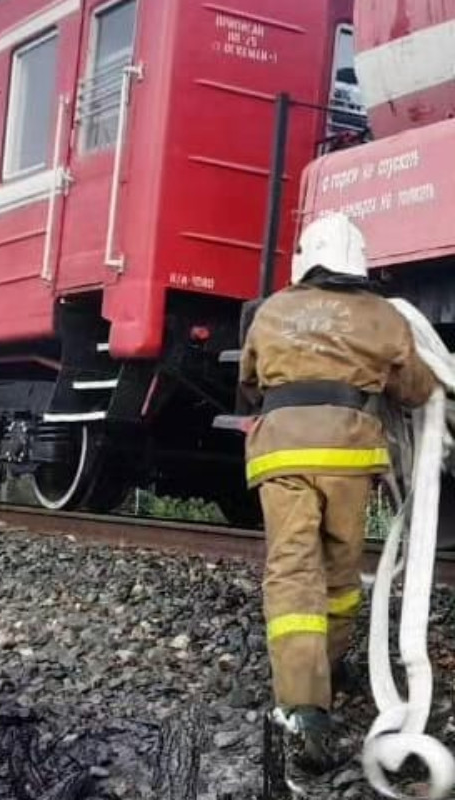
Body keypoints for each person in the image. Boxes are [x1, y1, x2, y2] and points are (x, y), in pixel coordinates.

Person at [239, 212, 438, 772]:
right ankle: (335, 659)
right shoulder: (380, 314)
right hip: (350, 454)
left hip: (282, 454)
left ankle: (303, 706)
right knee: (342, 567)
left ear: (306, 257)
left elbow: (249, 383)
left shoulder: (272, 309)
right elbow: (416, 388)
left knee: (293, 568)